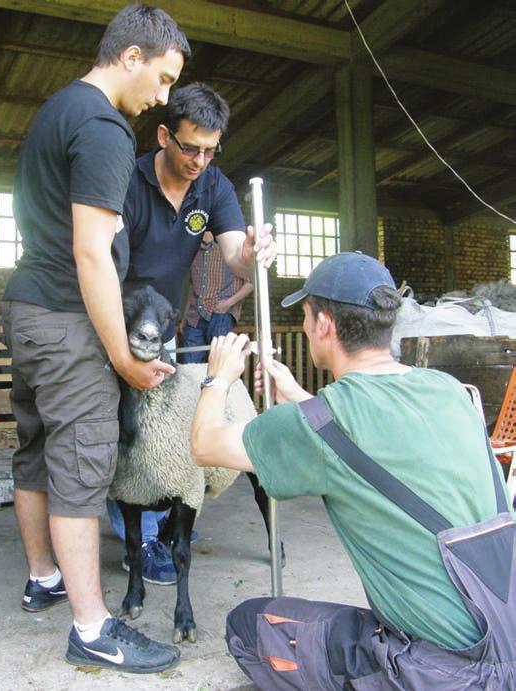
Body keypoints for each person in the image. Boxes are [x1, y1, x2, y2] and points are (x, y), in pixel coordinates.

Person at [190, 251, 516, 689]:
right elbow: (378, 438)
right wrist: (303, 400)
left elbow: (204, 446)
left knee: (248, 625)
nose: (305, 326)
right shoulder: (447, 389)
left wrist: (218, 377)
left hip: (444, 673)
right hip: (506, 637)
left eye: (305, 315)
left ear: (324, 324)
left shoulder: (324, 423)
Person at [2, 5, 191, 674]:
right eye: (163, 78)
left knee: (35, 451)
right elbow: (91, 253)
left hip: (25, 307)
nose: (162, 97)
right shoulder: (106, 129)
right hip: (65, 319)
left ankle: (43, 576)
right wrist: (121, 355)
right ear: (131, 56)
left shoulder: (57, 110)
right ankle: (92, 627)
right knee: (83, 464)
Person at [105, 81, 275, 585]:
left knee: (165, 428)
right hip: (120, 320)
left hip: (167, 325)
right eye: (190, 147)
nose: (200, 159)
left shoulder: (214, 187)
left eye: (210, 148)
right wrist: (117, 346)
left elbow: (233, 255)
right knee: (124, 430)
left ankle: (162, 525)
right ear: (163, 135)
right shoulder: (127, 182)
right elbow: (101, 266)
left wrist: (253, 252)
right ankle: (136, 541)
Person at [181, 230, 253, 364]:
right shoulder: (193, 252)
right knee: (190, 366)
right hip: (194, 315)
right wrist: (185, 315)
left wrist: (228, 303)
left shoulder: (229, 251)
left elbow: (251, 282)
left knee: (219, 364)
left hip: (221, 314)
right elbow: (193, 286)